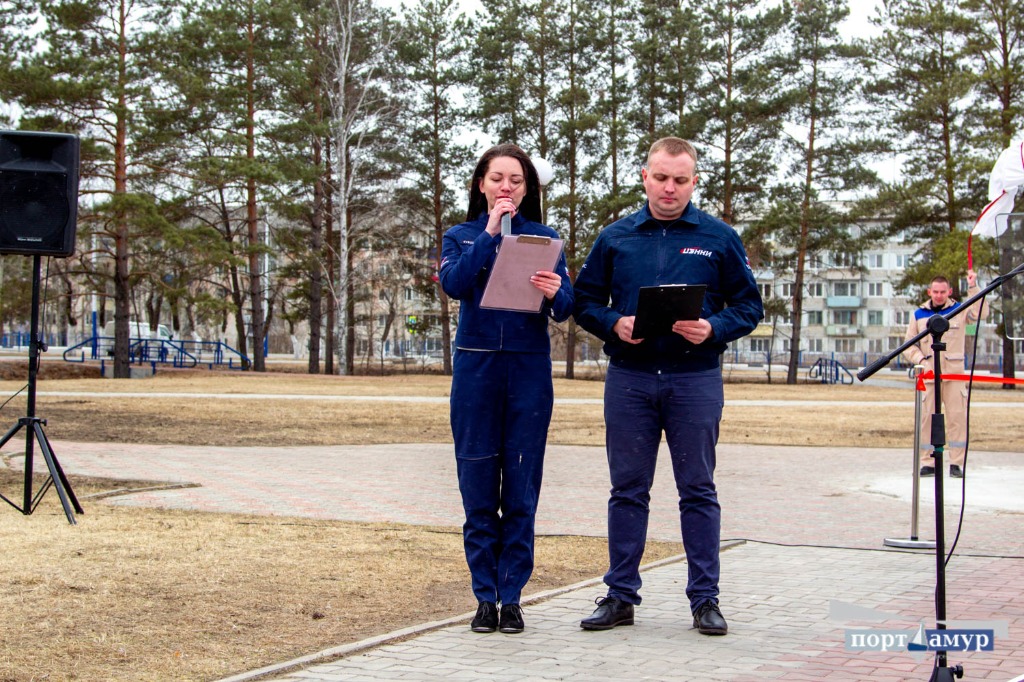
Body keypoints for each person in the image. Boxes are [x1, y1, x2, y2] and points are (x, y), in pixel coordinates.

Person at [573, 137, 763, 636]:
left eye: (680, 179)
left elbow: (749, 306)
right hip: (630, 381)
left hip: (694, 380)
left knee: (697, 490)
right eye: (661, 177)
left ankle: (705, 600)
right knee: (627, 490)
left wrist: (714, 329)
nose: (669, 188)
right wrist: (613, 323)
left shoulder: (719, 238)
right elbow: (585, 300)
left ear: (694, 182)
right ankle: (620, 597)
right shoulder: (615, 237)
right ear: (645, 177)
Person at [438, 143, 574, 635]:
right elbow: (454, 284)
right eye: (497, 178)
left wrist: (559, 291)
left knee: (520, 490)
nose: (506, 187)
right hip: (476, 373)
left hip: (528, 372)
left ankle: (512, 597)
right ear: (481, 185)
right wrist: (491, 234)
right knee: (477, 488)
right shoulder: (460, 236)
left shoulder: (545, 238)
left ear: (528, 188)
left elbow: (565, 307)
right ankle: (483, 598)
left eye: (515, 180)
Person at [902, 270, 988, 478]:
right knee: (928, 420)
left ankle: (956, 463)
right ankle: (928, 462)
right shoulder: (918, 315)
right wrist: (922, 361)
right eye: (935, 291)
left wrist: (973, 286)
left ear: (949, 291)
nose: (939, 295)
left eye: (943, 292)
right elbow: (908, 346)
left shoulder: (959, 310)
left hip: (953, 376)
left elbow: (981, 314)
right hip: (930, 377)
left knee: (957, 420)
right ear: (929, 291)